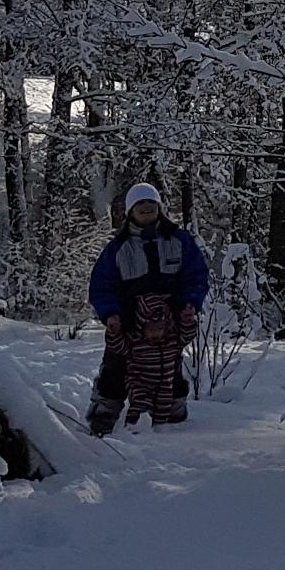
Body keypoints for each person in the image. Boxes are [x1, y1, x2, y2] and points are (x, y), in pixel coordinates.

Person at [85, 182, 210, 435]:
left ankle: (174, 415)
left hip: (168, 321)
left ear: (160, 209)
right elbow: (102, 285)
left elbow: (196, 276)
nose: (146, 209)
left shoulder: (180, 241)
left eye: (151, 204)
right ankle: (104, 415)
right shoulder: (118, 248)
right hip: (129, 321)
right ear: (130, 211)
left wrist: (189, 304)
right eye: (140, 205)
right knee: (115, 365)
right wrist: (110, 314)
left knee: (168, 365)